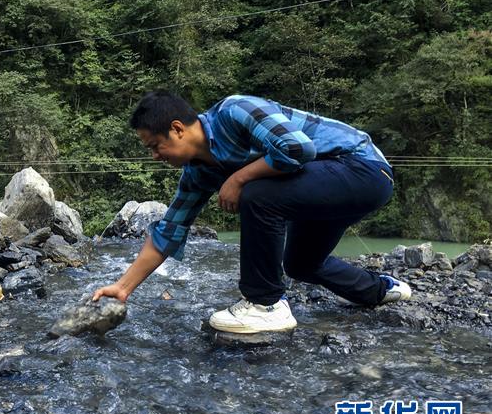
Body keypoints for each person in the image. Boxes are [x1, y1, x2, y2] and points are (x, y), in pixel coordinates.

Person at [92, 91, 412, 334]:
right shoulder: (198, 173)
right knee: (301, 264)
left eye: (154, 146)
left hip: (362, 168)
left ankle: (266, 304)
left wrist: (239, 177)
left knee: (256, 193)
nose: (154, 156)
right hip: (329, 185)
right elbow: (168, 233)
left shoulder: (234, 111)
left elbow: (299, 149)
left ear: (177, 129)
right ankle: (382, 290)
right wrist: (123, 288)